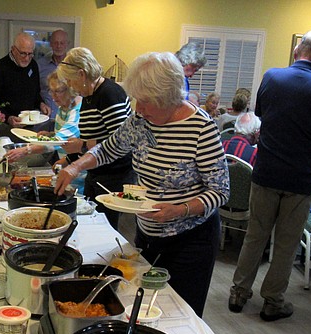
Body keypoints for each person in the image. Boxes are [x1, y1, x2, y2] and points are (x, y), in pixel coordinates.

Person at [54, 51, 229, 316]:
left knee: (179, 313)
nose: (138, 109)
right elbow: (109, 148)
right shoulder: (141, 120)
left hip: (190, 242)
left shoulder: (201, 129)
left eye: (145, 102)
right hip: (148, 234)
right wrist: (76, 165)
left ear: (169, 97)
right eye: (137, 100)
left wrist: (179, 209)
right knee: (141, 306)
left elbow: (220, 191)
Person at [229, 30, 311, 321]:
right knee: (286, 243)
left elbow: (262, 116)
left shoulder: (272, 77)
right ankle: (273, 301)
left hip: (266, 170)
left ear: (297, 49)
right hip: (301, 177)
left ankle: (238, 293)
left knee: (255, 235)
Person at [56, 47, 135, 230]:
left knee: (104, 227)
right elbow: (91, 138)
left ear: (82, 75)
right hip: (96, 173)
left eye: (70, 80)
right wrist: (69, 159)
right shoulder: (89, 97)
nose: (69, 85)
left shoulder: (109, 94)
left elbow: (119, 142)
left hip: (114, 175)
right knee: (90, 223)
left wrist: (81, 146)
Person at [3, 70, 81, 165]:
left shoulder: (78, 112)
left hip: (79, 170)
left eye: (57, 91)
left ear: (71, 89)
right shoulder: (63, 106)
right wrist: (51, 134)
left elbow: (59, 141)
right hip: (67, 163)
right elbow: (67, 135)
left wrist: (25, 150)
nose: (53, 96)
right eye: (51, 91)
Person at [0, 32, 51, 132]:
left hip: (29, 126)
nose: (26, 58)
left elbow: (35, 93)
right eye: (23, 53)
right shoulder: (0, 68)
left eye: (30, 54)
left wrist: (41, 104)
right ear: (13, 49)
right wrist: (8, 118)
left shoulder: (33, 65)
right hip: (6, 126)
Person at [37, 30, 69, 118]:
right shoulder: (39, 65)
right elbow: (33, 91)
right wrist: (40, 103)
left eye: (62, 43)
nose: (58, 46)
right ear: (50, 44)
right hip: (44, 118)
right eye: (55, 43)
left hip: (67, 119)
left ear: (67, 44)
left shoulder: (73, 67)